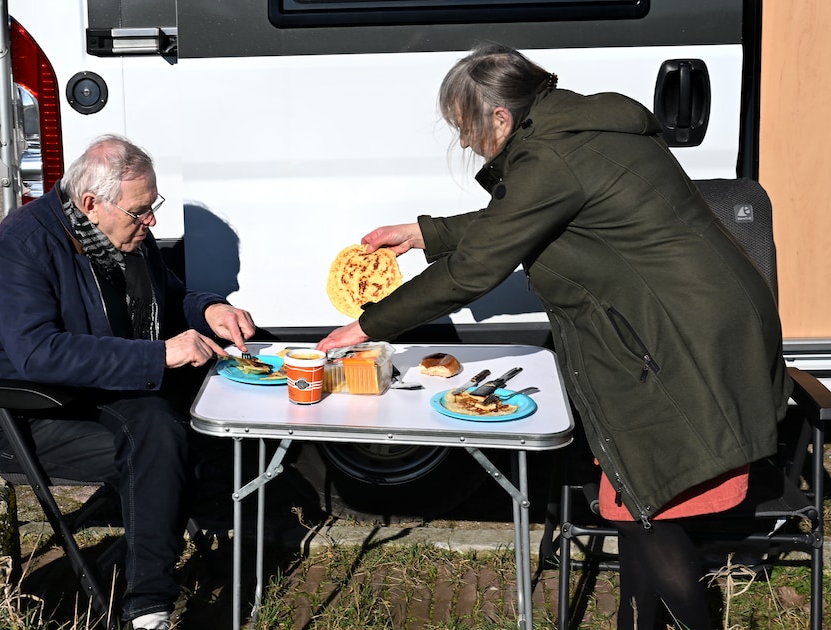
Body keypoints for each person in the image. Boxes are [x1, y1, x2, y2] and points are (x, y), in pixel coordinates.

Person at [316, 43, 790, 629]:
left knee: (652, 507)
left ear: (500, 117)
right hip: (698, 322)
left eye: (465, 128)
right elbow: (527, 214)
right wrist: (422, 232)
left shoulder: (550, 160)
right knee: (638, 505)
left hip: (680, 340)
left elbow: (475, 269)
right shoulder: (580, 127)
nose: (464, 143)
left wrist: (363, 324)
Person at [0, 134, 257, 630]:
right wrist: (161, 353)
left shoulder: (120, 236)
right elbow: (38, 353)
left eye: (153, 207)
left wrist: (210, 307)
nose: (151, 223)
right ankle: (148, 609)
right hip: (28, 411)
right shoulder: (21, 243)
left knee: (210, 394)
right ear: (90, 204)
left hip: (98, 394)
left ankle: (148, 559)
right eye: (140, 212)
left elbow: (171, 297)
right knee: (161, 434)